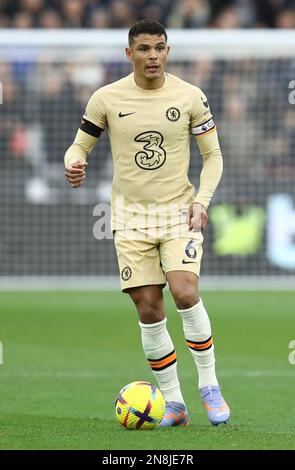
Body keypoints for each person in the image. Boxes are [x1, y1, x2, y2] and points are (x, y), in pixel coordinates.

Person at [64, 19, 230, 427]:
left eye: (159, 48)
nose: (152, 55)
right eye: (144, 49)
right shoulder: (106, 98)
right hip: (129, 217)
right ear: (129, 54)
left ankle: (210, 386)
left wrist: (202, 201)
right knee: (149, 308)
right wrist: (74, 163)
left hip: (178, 211)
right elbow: (79, 144)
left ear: (168, 51)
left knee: (185, 291)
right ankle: (174, 403)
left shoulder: (190, 96)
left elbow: (213, 156)